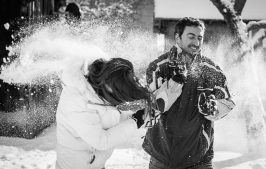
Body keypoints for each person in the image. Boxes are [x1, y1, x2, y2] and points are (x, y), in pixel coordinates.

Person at [55, 55, 182, 169]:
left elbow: (111, 116)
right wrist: (136, 121)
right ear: (110, 89)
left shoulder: (100, 87)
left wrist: (146, 110)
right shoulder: (77, 102)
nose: (120, 102)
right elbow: (101, 141)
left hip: (94, 163)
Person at [142, 17, 236, 169]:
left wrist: (213, 108)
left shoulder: (211, 69)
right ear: (178, 37)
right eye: (191, 36)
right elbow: (150, 111)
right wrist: (174, 83)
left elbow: (227, 102)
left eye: (200, 37)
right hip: (162, 157)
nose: (196, 42)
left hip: (199, 159)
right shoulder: (159, 67)